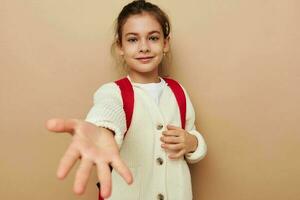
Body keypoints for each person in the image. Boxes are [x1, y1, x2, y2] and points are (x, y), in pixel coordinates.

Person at [46, 0, 207, 199]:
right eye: (132, 40)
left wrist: (193, 143)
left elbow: (192, 134)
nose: (144, 47)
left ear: (165, 44)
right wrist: (101, 130)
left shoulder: (178, 91)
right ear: (120, 47)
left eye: (153, 38)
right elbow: (107, 111)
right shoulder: (113, 92)